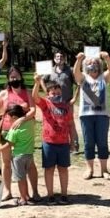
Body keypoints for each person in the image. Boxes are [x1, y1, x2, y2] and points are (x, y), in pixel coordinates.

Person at [0, 66, 39, 201]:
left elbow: (33, 109)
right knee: (6, 162)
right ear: (8, 79)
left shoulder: (26, 92)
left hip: (23, 132)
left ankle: (34, 192)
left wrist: (24, 118)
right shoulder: (3, 94)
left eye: (17, 76)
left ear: (21, 77)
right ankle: (7, 191)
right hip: (6, 130)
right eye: (12, 77)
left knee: (28, 163)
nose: (14, 79)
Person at [73, 51, 110, 180]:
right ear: (86, 66)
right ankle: (89, 169)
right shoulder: (83, 78)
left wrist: (107, 57)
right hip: (86, 115)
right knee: (88, 142)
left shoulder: (104, 77)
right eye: (89, 62)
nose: (93, 64)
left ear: (99, 64)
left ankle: (104, 170)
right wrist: (79, 60)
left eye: (95, 62)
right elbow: (76, 73)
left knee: (102, 142)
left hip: (103, 115)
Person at [33, 74, 73, 205]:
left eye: (58, 91)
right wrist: (37, 83)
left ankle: (64, 194)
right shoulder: (46, 104)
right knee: (49, 169)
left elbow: (70, 124)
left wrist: (73, 140)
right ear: (48, 93)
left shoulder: (66, 106)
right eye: (52, 92)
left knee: (63, 169)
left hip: (63, 143)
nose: (56, 94)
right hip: (49, 142)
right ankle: (50, 195)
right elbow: (34, 97)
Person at [0, 104, 37, 206]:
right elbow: (31, 110)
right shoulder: (31, 123)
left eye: (9, 117)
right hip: (29, 155)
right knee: (24, 177)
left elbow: (10, 144)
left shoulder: (13, 130)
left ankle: (22, 199)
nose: (8, 120)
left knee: (20, 179)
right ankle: (27, 196)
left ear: (14, 117)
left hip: (18, 157)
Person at [41, 51, 80, 153]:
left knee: (70, 123)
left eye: (61, 56)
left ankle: (74, 144)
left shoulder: (70, 70)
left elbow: (79, 83)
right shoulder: (50, 70)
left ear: (64, 58)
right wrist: (47, 92)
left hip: (67, 102)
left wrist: (75, 98)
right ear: (54, 59)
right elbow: (41, 80)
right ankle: (59, 143)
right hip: (53, 103)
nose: (59, 58)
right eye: (57, 56)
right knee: (56, 122)